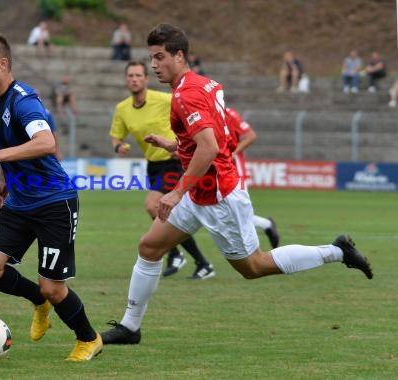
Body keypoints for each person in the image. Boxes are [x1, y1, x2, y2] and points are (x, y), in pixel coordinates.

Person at [101, 23, 372, 345]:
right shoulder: (206, 85)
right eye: (151, 58)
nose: (154, 65)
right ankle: (131, 327)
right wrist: (176, 146)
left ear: (179, 55)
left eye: (159, 57)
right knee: (149, 247)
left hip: (217, 196)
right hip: (200, 192)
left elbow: (210, 147)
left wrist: (176, 191)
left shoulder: (184, 96)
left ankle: (336, 251)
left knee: (254, 266)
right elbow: (213, 138)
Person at [0, 31, 102, 361]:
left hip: (54, 203)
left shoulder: (24, 99)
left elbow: (46, 143)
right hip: (19, 202)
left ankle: (89, 338)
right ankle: (37, 302)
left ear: (3, 63)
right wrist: (2, 177)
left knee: (53, 286)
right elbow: (4, 140)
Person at [110, 60, 215, 279]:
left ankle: (177, 254)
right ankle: (200, 263)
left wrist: (186, 142)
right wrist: (119, 145)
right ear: (126, 80)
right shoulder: (122, 109)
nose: (134, 79)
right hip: (153, 165)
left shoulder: (164, 99)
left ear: (146, 79)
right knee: (168, 214)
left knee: (153, 205)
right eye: (130, 76)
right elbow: (116, 135)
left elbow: (189, 108)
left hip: (174, 159)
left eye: (139, 75)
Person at [225, 107, 279, 248]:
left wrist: (233, 152)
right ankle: (266, 225)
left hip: (235, 169)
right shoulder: (203, 114)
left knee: (239, 211)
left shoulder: (229, 114)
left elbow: (250, 136)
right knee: (227, 212)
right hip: (215, 170)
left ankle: (251, 248)